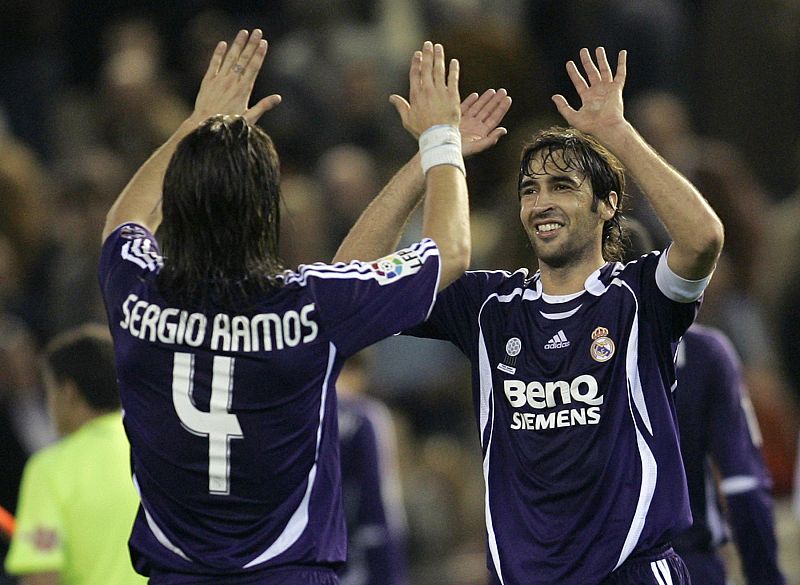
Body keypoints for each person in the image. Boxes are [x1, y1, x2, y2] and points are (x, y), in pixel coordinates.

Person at [99, 29, 510, 583]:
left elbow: (124, 221)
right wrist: (439, 141)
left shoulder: (134, 295)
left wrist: (197, 128)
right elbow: (450, 252)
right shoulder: (310, 308)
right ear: (269, 210)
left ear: (177, 204)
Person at [335, 47, 724, 585]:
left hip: (630, 573)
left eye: (562, 187)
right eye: (529, 190)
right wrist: (431, 154)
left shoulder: (637, 297)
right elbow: (346, 281)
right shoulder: (489, 308)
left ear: (608, 204)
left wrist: (616, 133)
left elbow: (704, 237)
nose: (542, 202)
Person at [4, 324, 145, 585]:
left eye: (49, 389)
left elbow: (41, 576)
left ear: (68, 392)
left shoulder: (49, 469)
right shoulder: (153, 453)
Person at [673, 324, 787, 585]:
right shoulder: (705, 353)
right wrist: (766, 577)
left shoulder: (576, 349)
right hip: (691, 565)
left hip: (587, 566)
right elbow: (743, 486)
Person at [336, 354, 408, 585]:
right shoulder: (365, 415)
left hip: (308, 546)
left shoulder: (299, 411)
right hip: (361, 545)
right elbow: (379, 492)